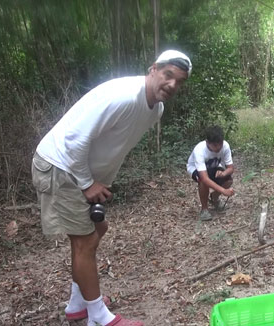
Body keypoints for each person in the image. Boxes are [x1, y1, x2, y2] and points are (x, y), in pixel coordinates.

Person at [31, 50, 191, 326]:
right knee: (84, 240)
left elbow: (119, 145)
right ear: (153, 69)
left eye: (180, 81)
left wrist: (102, 182)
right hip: (61, 166)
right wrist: (87, 183)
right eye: (168, 75)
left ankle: (77, 304)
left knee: (97, 229)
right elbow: (75, 140)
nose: (172, 85)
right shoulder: (125, 97)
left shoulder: (156, 109)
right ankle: (99, 318)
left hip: (80, 172)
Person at [187, 125, 235, 221]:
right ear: (207, 142)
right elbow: (205, 178)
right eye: (215, 145)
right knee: (203, 181)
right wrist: (223, 191)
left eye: (220, 144)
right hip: (195, 169)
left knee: (228, 180)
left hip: (213, 167)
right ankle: (204, 209)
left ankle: (214, 198)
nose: (218, 147)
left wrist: (223, 173)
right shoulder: (199, 150)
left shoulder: (225, 146)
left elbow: (230, 168)